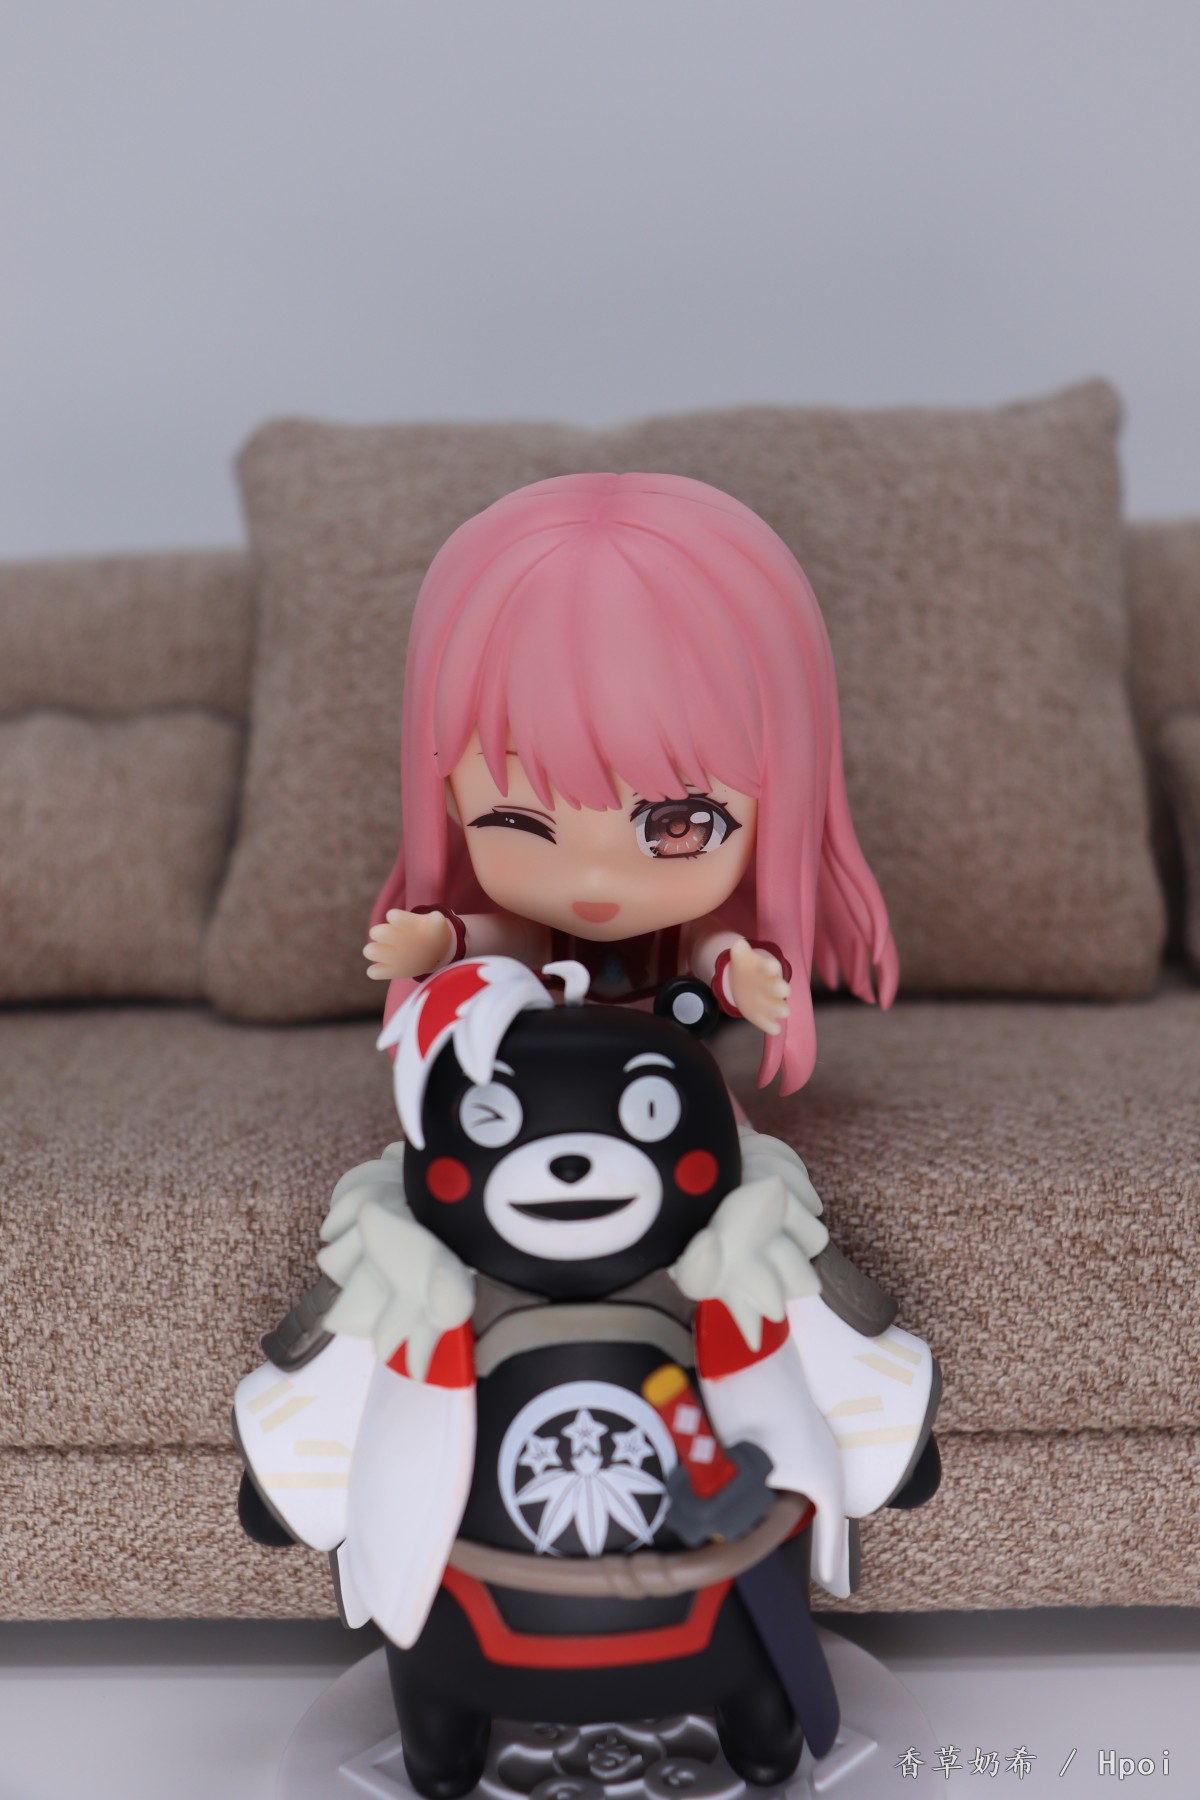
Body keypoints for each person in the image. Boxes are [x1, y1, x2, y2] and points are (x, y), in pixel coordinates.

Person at [365, 471, 896, 1095]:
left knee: (690, 1099)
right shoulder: (540, 931)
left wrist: (744, 978)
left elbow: (716, 955)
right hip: (537, 1071)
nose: (596, 879)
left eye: (678, 825)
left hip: (662, 1068)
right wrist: (438, 942)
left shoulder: (680, 936)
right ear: (452, 801)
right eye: (516, 820)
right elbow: (499, 937)